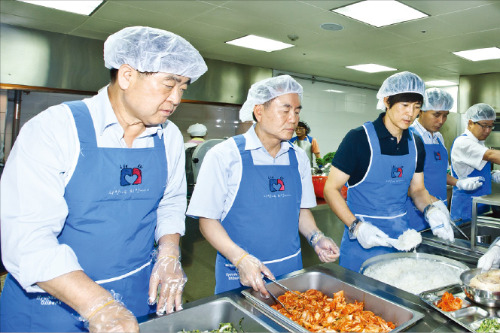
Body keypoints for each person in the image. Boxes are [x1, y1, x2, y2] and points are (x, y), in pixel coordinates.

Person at [0, 26, 207, 332]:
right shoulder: (55, 129)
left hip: (135, 296)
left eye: (183, 87)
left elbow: (172, 200)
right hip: (50, 304)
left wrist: (169, 251)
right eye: (168, 84)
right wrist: (98, 304)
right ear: (126, 75)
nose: (176, 98)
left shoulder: (170, 138)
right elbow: (26, 239)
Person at [186, 75, 339, 295]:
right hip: (240, 272)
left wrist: (316, 237)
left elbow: (301, 211)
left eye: (297, 111)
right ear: (259, 111)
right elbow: (207, 220)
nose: (293, 119)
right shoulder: (225, 155)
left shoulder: (298, 158)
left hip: (290, 271)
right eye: (285, 110)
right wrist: (241, 259)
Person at [323, 71, 455, 273]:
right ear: (387, 101)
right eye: (404, 105)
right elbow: (331, 189)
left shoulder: (416, 143)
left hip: (401, 241)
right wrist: (356, 227)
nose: (410, 114)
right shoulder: (359, 139)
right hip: (363, 243)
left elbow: (418, 190)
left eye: (416, 107)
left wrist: (430, 210)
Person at [406, 88, 484, 231]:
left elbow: (437, 172)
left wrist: (458, 182)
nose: (441, 121)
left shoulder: (438, 137)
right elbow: (404, 183)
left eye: (445, 115)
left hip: (439, 210)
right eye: (436, 115)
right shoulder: (409, 137)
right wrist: (431, 205)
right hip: (416, 211)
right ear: (420, 110)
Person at [450, 103, 500, 224]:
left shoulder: (479, 143)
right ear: (470, 122)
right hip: (465, 210)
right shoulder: (464, 142)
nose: (487, 131)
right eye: (484, 126)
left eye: (490, 126)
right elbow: (491, 155)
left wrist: (491, 174)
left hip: (480, 206)